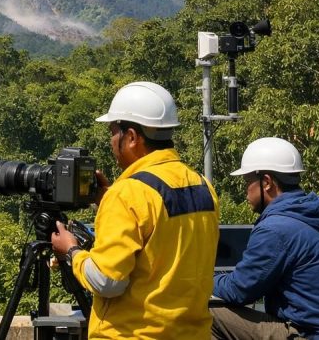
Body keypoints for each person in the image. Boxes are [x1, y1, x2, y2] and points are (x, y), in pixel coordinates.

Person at [51, 81, 220, 339]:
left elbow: (107, 282)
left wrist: (72, 251)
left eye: (112, 132)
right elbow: (163, 235)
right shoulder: (202, 185)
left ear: (130, 137)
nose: (111, 141)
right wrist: (107, 200)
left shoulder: (127, 194)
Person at [211, 137, 319, 340]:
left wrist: (203, 280)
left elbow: (240, 290)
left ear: (267, 182)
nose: (246, 191)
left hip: (316, 335)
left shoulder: (276, 228)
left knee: (209, 313)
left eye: (247, 182)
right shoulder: (318, 217)